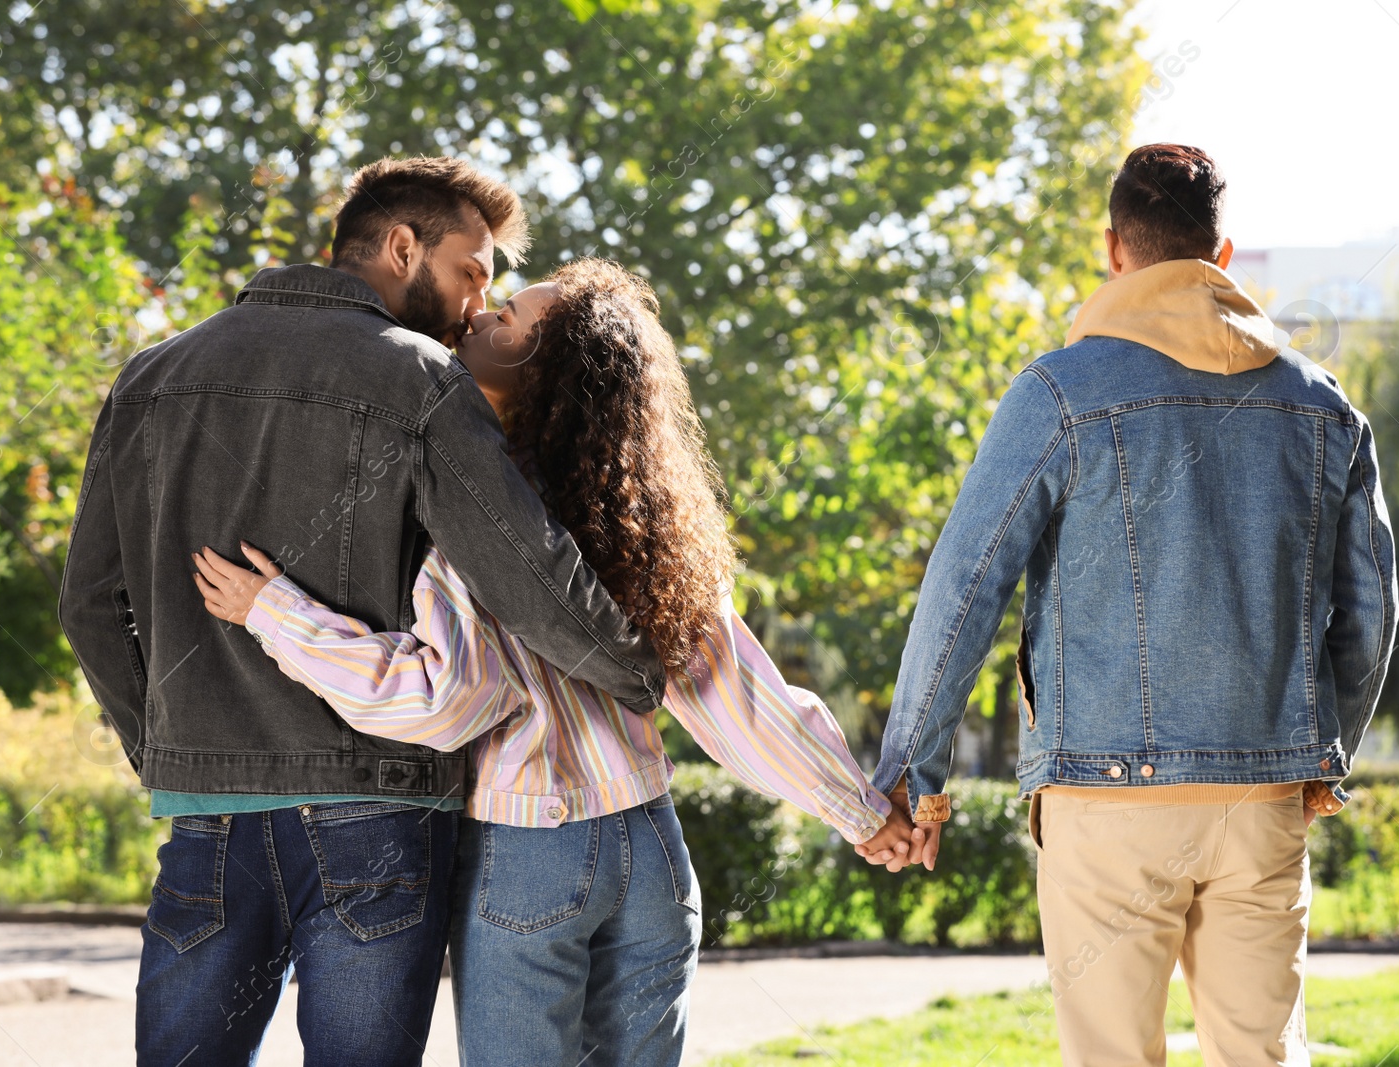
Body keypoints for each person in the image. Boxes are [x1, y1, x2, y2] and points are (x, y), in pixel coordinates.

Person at [191, 257, 914, 1067]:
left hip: (530, 849)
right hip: (651, 849)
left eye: (506, 318)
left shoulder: (477, 506)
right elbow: (739, 697)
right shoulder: (648, 521)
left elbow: (448, 697)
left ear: (548, 371)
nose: (479, 319)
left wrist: (279, 615)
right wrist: (862, 813)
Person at [58, 156, 670, 1067]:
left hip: (208, 811)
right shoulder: (420, 380)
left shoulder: (151, 377)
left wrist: (169, 748)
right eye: (472, 270)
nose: (474, 302)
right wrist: (635, 669)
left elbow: (87, 603)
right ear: (400, 245)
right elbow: (527, 571)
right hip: (375, 812)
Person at [869, 144, 1398, 1066]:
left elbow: (965, 586)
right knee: (1263, 1056)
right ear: (1221, 255)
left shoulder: (1057, 395)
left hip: (1103, 800)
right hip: (1264, 793)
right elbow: (1371, 611)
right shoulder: (1323, 408)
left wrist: (915, 773)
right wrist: (1323, 752)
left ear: (1113, 249)